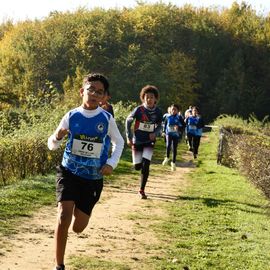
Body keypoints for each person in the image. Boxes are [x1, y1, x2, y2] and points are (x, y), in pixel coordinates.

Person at [47, 73, 124, 270]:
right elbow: (51, 145)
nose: (94, 94)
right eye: (91, 89)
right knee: (63, 216)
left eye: (99, 92)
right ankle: (59, 265)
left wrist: (111, 163)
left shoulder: (106, 119)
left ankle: (81, 213)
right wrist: (57, 137)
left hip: (92, 178)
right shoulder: (71, 115)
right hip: (69, 172)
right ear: (82, 92)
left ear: (104, 97)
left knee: (78, 227)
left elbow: (119, 142)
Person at [125, 85, 163, 199]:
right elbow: (128, 120)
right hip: (137, 140)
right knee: (138, 166)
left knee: (146, 165)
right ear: (143, 98)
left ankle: (142, 190)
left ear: (155, 99)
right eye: (147, 97)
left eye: (152, 97)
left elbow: (161, 125)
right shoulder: (139, 109)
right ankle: (137, 164)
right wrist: (128, 136)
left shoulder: (158, 112)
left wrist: (155, 132)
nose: (149, 99)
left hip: (149, 141)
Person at [162, 104, 185, 171]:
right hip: (168, 133)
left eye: (175, 109)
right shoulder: (167, 116)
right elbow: (165, 124)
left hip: (176, 134)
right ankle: (167, 157)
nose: (173, 111)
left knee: (174, 148)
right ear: (170, 110)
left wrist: (179, 127)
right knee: (168, 145)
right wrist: (163, 131)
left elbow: (184, 125)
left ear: (177, 111)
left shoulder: (179, 117)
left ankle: (173, 163)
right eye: (172, 109)